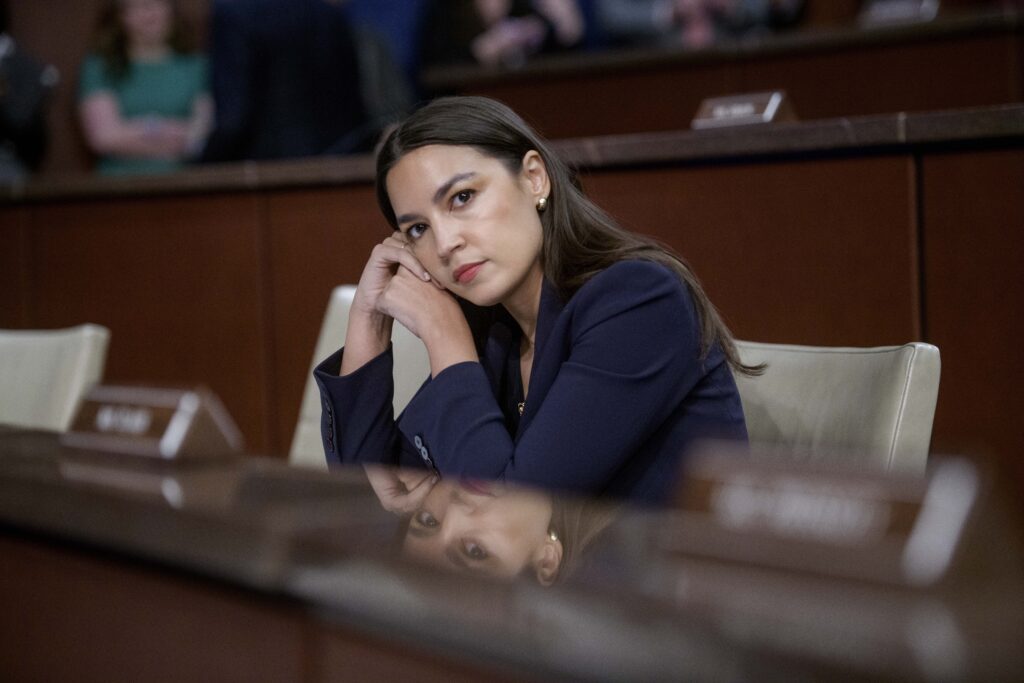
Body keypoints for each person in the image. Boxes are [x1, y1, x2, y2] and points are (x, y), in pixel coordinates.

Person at [314, 96, 756, 505]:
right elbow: (368, 497)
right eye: (417, 229)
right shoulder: (496, 336)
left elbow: (510, 517)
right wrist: (368, 318)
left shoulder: (638, 301)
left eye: (462, 197)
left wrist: (444, 338)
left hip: (668, 586)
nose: (445, 243)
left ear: (534, 178)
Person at [199, 0, 371, 162]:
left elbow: (233, 120)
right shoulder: (326, 12)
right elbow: (353, 107)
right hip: (335, 167)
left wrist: (199, 168)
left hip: (266, 176)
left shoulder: (232, 13)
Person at [78, 0, 212, 176]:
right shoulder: (101, 67)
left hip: (183, 182)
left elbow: (200, 135)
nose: (150, 14)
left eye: (157, 4)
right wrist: (161, 129)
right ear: (120, 15)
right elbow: (104, 137)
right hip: (118, 185)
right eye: (138, 6)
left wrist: (135, 131)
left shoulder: (195, 66)